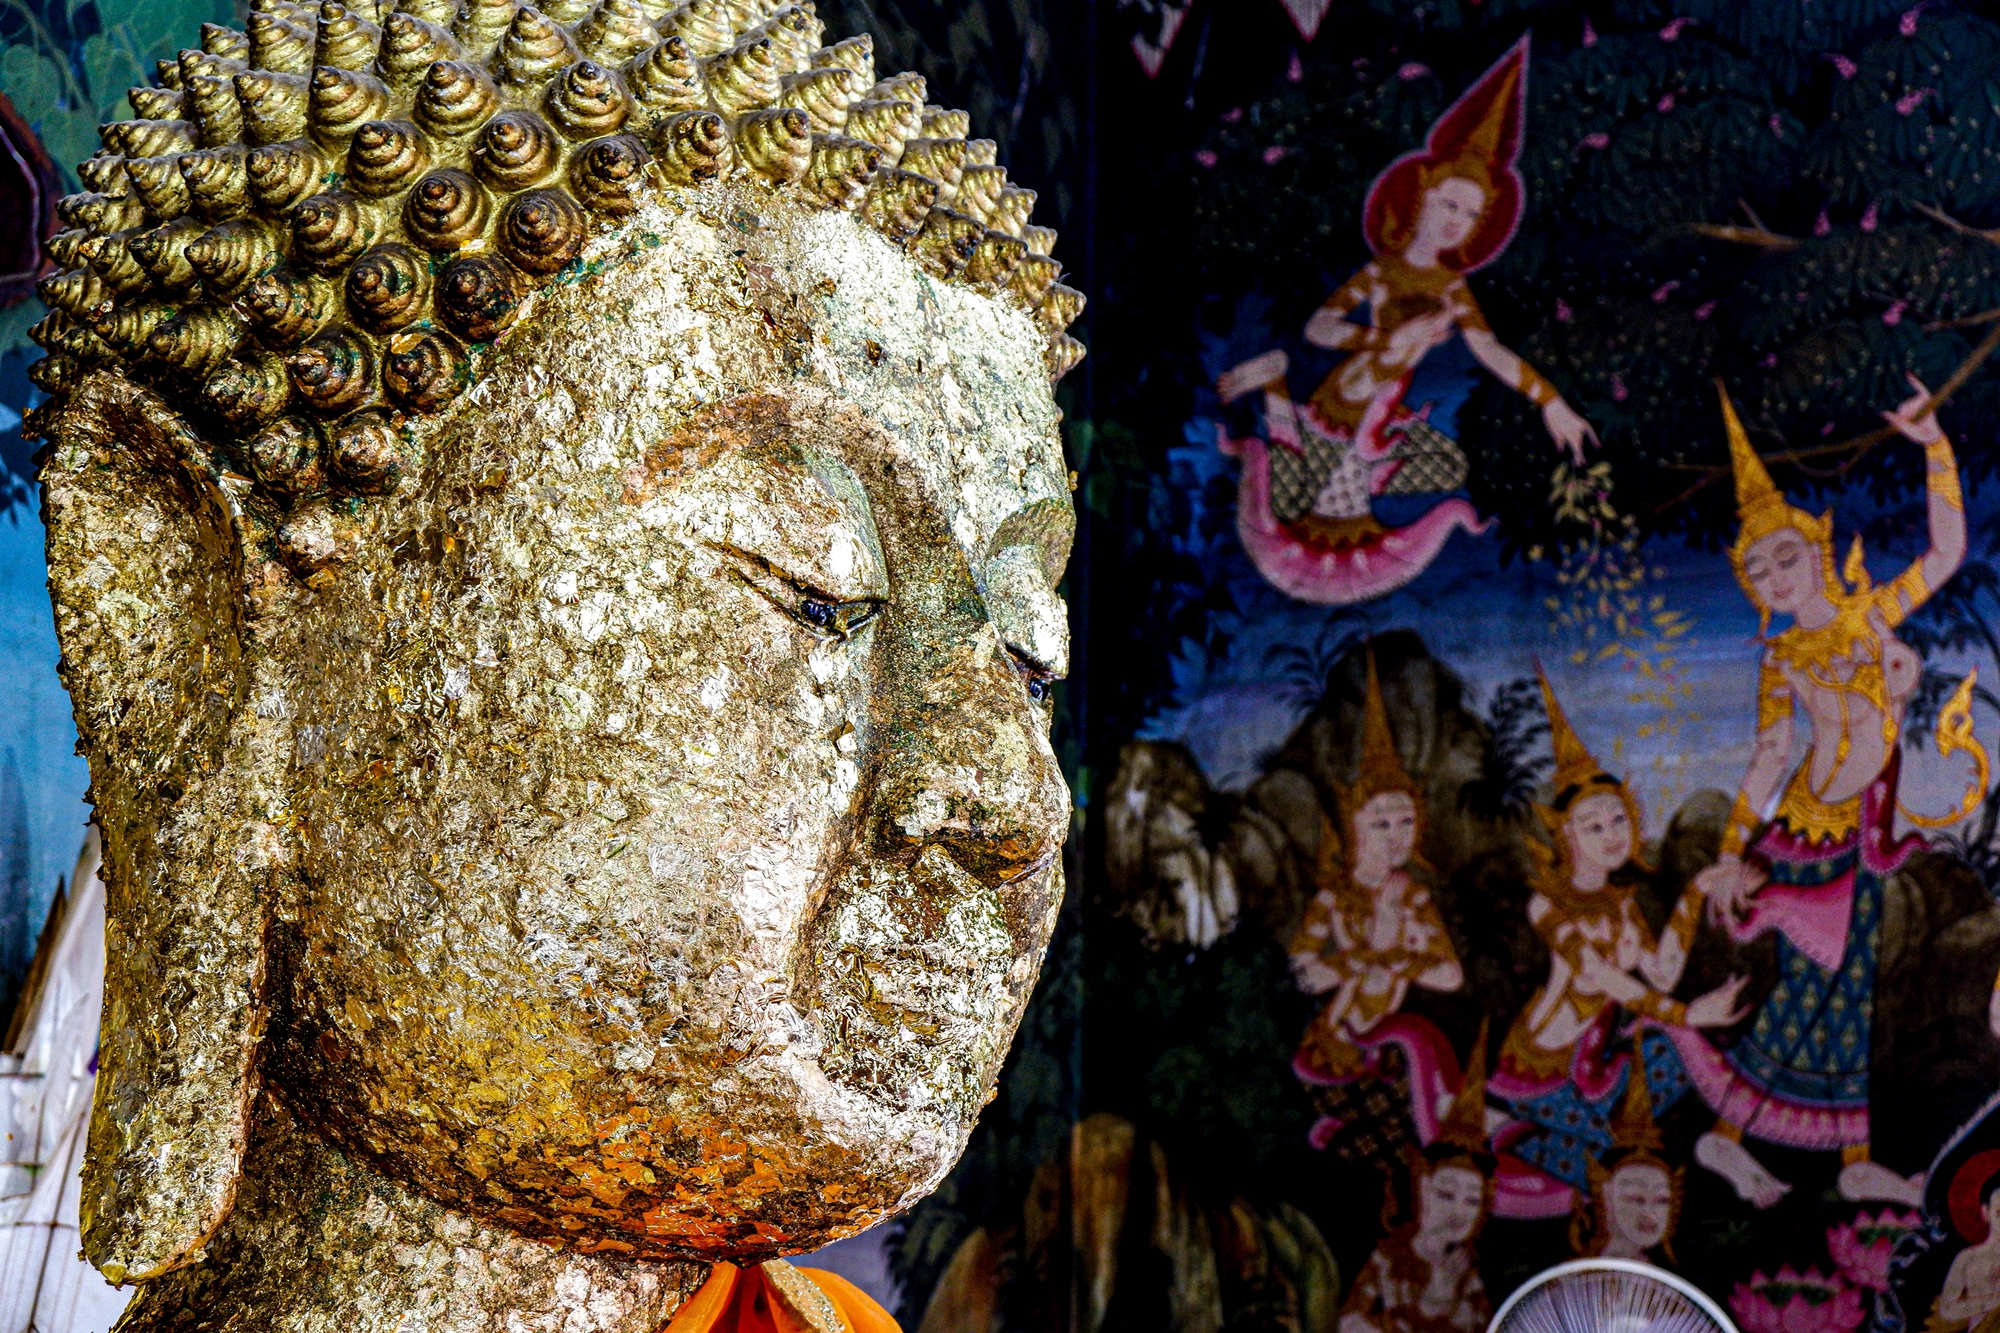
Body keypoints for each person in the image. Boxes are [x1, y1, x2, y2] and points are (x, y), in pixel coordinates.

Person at [1672, 380, 1977, 1211]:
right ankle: (1731, 1136)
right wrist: (1731, 851)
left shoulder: (1872, 613)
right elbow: (1771, 756)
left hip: (1863, 832)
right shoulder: (1781, 659)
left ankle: (1849, 1159)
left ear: (1816, 548)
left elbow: (1946, 552)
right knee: (1813, 985)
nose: (1774, 575)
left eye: (1785, 556)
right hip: (1810, 831)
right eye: (1757, 568)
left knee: (1850, 989)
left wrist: (1935, 446)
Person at [1213, 37, 1597, 605]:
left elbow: (1490, 350)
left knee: (1445, 467)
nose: (1458, 221)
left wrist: (1551, 402)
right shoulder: (1383, 272)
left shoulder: (1452, 288)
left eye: (1472, 215)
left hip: (1386, 399)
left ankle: (1289, 408)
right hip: (1353, 390)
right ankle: (1274, 387)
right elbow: (1320, 329)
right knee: (1303, 489)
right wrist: (1386, 338)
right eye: (1450, 204)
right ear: (1421, 196)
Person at [1488, 669, 1748, 1218]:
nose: (1612, 835)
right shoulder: (1547, 907)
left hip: (1593, 1063)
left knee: (1679, 1050)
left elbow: (1661, 973)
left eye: (1617, 820)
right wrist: (1688, 1014)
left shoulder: (1623, 904)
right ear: (1565, 836)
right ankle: (1513, 1130)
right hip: (1540, 1072)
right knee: (1612, 1158)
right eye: (1593, 826)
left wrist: (1696, 891)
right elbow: (1603, 978)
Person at [1291, 653, 1465, 1158]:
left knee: (1428, 1068)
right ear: (1355, 826)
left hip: (1386, 1045)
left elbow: (1450, 975)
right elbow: (1303, 973)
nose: (1396, 836)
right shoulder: (1334, 897)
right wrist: (1371, 950)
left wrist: (1396, 955)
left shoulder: (1414, 896)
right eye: (1381, 823)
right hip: (1336, 1046)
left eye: (1406, 822)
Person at [1340, 1027, 1497, 1333]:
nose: (1458, 1211)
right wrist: (1428, 1306)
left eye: (1472, 1201)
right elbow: (1349, 1321)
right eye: (1446, 1194)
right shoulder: (1391, 1258)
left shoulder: (1465, 1271)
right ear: (1423, 1188)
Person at [1570, 1066, 1682, 1265]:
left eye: (1662, 1200)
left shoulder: (1655, 1275)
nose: (1650, 1214)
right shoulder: (1579, 1274)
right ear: (1606, 1196)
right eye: (1636, 1198)